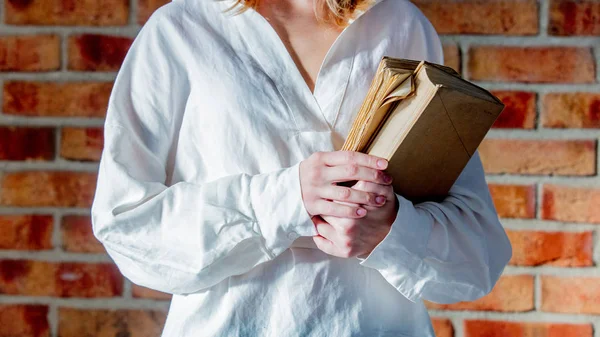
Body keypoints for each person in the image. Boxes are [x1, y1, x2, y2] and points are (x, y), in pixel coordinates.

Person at [90, 0, 512, 336]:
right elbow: (126, 227)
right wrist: (285, 199)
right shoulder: (180, 29)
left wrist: (391, 230)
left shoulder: (400, 23)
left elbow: (477, 255)